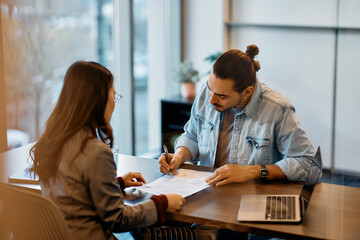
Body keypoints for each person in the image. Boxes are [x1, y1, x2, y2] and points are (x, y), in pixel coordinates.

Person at [29, 61, 185, 240]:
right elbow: (118, 219)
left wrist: (115, 183)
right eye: (114, 95)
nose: (114, 103)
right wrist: (162, 203)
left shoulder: (52, 142)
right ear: (99, 99)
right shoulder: (95, 152)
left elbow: (73, 192)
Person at [159, 45, 321, 186]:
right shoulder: (205, 93)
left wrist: (252, 172)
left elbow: (307, 164)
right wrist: (179, 156)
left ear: (247, 92)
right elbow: (192, 136)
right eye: (210, 88)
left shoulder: (277, 109)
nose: (211, 100)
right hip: (205, 191)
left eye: (222, 96)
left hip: (252, 199)